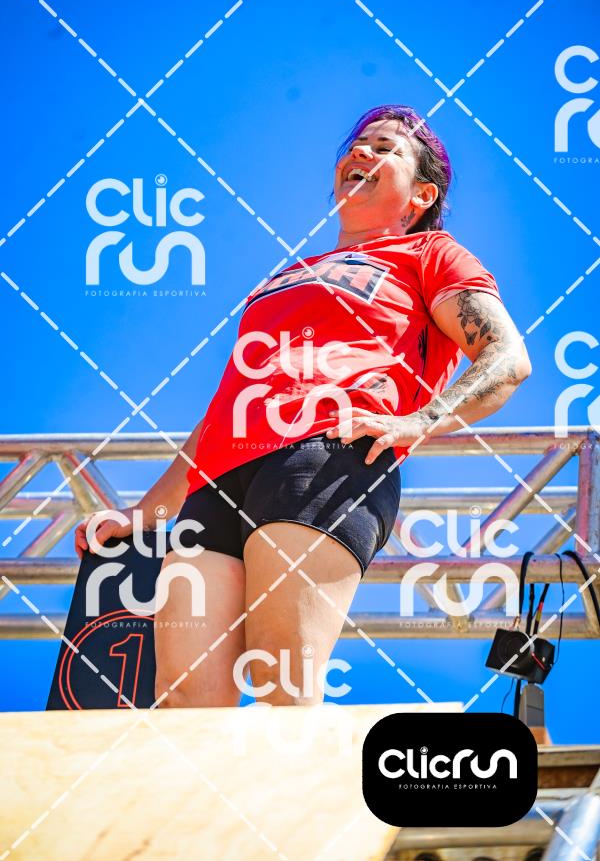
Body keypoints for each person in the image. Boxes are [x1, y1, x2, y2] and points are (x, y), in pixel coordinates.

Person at [75, 104, 531, 708]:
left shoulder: (431, 254)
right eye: (358, 144)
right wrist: (146, 512)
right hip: (220, 479)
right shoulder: (282, 278)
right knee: (183, 703)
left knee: (281, 679)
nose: (361, 152)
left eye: (386, 148)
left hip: (326, 457)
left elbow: (506, 356)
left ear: (423, 195)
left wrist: (418, 421)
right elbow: (226, 408)